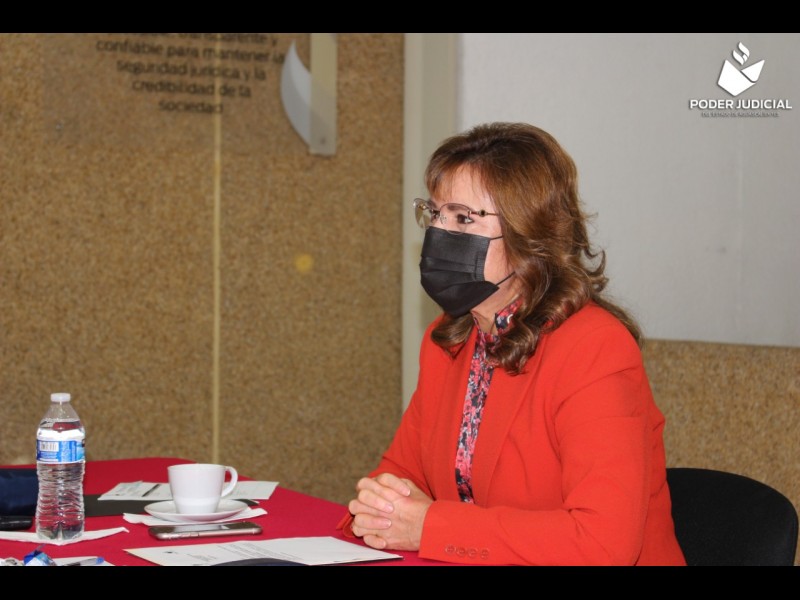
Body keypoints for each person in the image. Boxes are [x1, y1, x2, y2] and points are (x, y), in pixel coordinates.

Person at [338, 122, 686, 566]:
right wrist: (379, 507)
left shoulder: (595, 348)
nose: (438, 232)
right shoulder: (449, 340)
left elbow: (603, 543)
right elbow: (402, 475)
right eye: (435, 213)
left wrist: (431, 528)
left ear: (529, 236)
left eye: (463, 218)